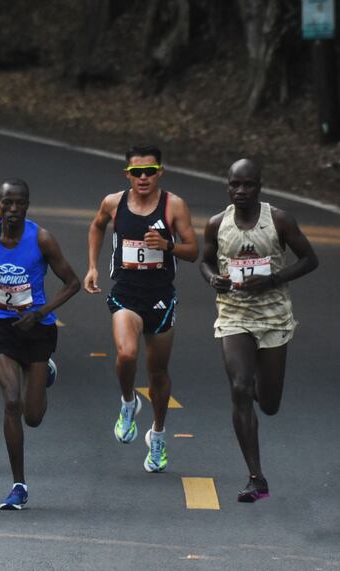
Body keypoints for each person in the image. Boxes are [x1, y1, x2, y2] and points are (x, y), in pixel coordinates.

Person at [200, 158, 317, 502]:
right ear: (227, 187)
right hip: (234, 314)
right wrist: (213, 280)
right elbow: (206, 262)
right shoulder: (217, 224)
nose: (241, 191)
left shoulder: (278, 220)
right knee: (238, 387)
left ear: (259, 187)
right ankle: (256, 478)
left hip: (273, 318)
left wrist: (275, 279)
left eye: (248, 184)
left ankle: (255, 383)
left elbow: (310, 259)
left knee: (269, 403)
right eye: (235, 185)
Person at [84, 146, 198, 473]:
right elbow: (96, 226)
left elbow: (193, 250)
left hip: (160, 298)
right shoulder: (113, 202)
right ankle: (128, 402)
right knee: (127, 354)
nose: (143, 177)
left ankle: (158, 435)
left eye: (150, 171)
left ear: (160, 171)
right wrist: (92, 266)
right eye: (137, 172)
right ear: (127, 175)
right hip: (125, 294)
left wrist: (167, 246)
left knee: (158, 371)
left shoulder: (174, 206)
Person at [0, 179, 80, 509]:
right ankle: (18, 484)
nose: (13, 209)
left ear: (27, 205)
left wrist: (41, 312)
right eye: (8, 203)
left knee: (33, 416)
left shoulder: (41, 238)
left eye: (20, 203)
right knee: (12, 400)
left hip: (36, 329)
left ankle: (45, 369)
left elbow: (72, 283)